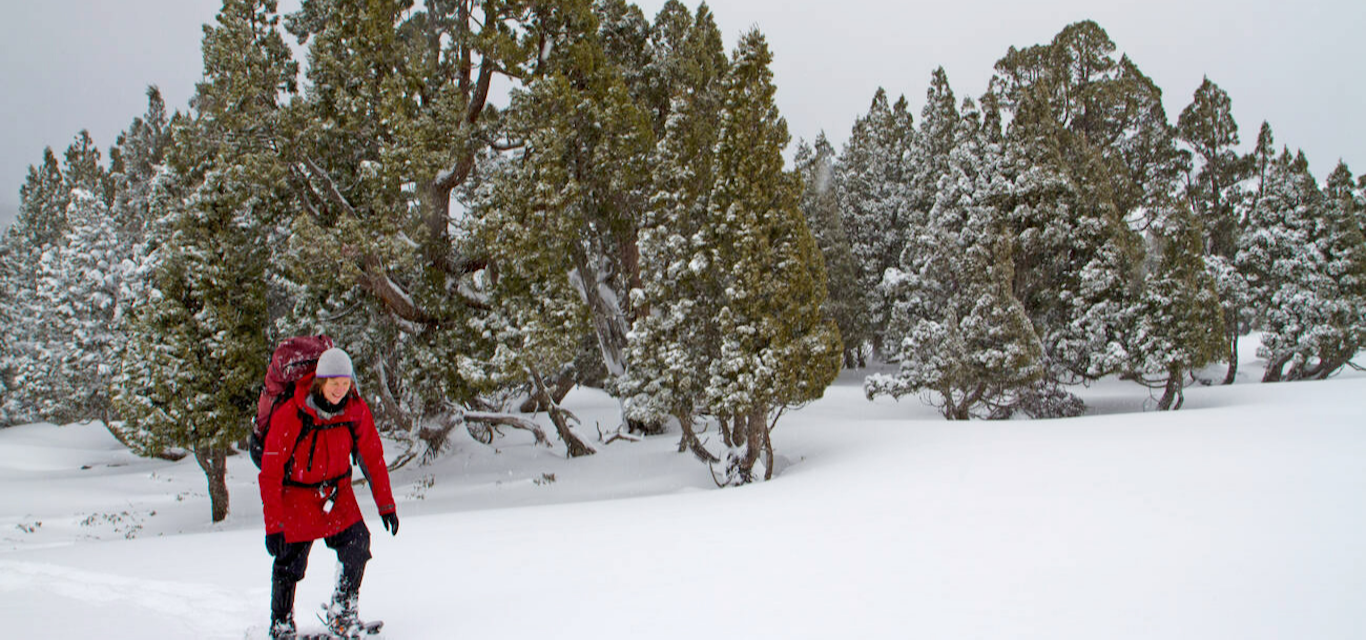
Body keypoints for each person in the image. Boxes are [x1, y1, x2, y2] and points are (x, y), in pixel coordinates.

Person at [259, 347, 399, 639]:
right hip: (296, 497)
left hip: (336, 494)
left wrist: (386, 505)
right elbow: (270, 474)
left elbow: (372, 457)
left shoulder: (355, 410)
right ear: (319, 381)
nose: (339, 389)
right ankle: (281, 624)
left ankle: (343, 613)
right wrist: (274, 526)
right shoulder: (291, 414)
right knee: (289, 562)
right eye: (333, 382)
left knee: (358, 544)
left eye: (345, 382)